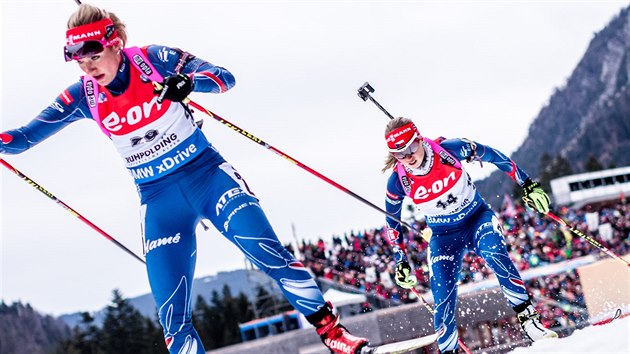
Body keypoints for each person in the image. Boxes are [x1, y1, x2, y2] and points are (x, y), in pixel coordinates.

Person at [0, 4, 369, 354]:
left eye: (93, 55)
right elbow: (23, 138)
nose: (87, 67)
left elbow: (224, 79)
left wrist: (188, 83)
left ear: (114, 42)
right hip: (160, 202)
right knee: (172, 317)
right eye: (79, 59)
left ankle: (334, 335)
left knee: (270, 255)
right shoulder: (84, 95)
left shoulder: (153, 60)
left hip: (207, 177)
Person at [382, 117, 558, 354]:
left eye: (412, 147)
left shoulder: (449, 150)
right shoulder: (398, 181)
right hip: (443, 238)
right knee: (442, 293)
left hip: (476, 219)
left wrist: (527, 184)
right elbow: (392, 221)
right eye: (400, 154)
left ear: (419, 138)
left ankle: (529, 321)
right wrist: (401, 260)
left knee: (494, 253)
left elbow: (493, 155)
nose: (409, 156)